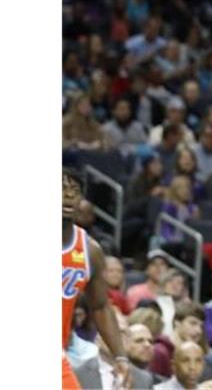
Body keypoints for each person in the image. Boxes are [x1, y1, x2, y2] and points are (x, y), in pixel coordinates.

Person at [63, 167, 131, 390]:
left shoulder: (90, 250)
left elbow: (101, 306)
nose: (68, 195)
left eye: (75, 190)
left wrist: (120, 357)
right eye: (61, 188)